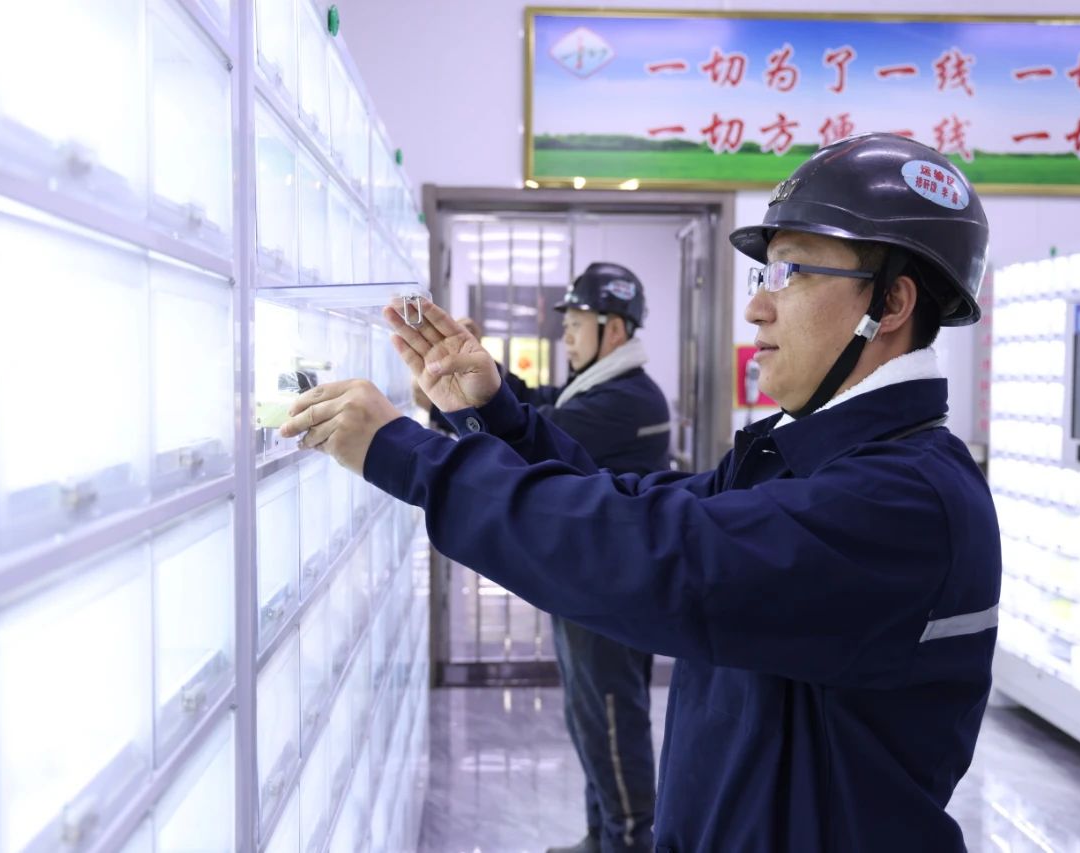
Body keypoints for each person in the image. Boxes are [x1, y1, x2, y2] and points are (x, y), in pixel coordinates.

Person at [281, 133, 1001, 850]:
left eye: (791, 273)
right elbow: (630, 505)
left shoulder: (904, 502)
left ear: (891, 302)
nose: (757, 308)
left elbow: (661, 559)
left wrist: (407, 455)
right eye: (764, 275)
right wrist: (494, 415)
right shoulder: (807, 458)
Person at [415, 265, 670, 853]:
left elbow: (535, 432)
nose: (566, 336)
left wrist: (453, 402)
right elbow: (533, 404)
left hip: (611, 593)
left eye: (576, 324)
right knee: (590, 716)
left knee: (611, 719)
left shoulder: (627, 400)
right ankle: (602, 834)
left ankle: (628, 842)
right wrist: (475, 370)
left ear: (614, 329)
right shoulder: (602, 387)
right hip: (590, 584)